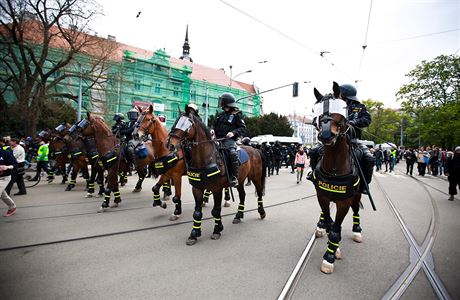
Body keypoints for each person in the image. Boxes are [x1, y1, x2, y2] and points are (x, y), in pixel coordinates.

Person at [308, 83, 375, 194]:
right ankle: (314, 175)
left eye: (340, 95)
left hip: (353, 140)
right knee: (314, 151)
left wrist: (354, 121)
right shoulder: (335, 106)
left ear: (345, 95)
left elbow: (367, 120)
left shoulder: (359, 107)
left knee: (368, 158)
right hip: (334, 137)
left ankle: (364, 184)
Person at [212, 92, 246, 187]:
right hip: (217, 139)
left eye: (222, 101)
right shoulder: (220, 115)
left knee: (232, 153)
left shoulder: (236, 115)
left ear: (226, 102)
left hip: (228, 140)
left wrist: (233, 133)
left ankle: (234, 177)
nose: (221, 103)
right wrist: (211, 130)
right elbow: (213, 125)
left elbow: (242, 128)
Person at [0, 147, 17, 217]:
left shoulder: (6, 153)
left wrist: (7, 167)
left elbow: (15, 164)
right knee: (3, 195)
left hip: (4, 177)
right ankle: (12, 207)